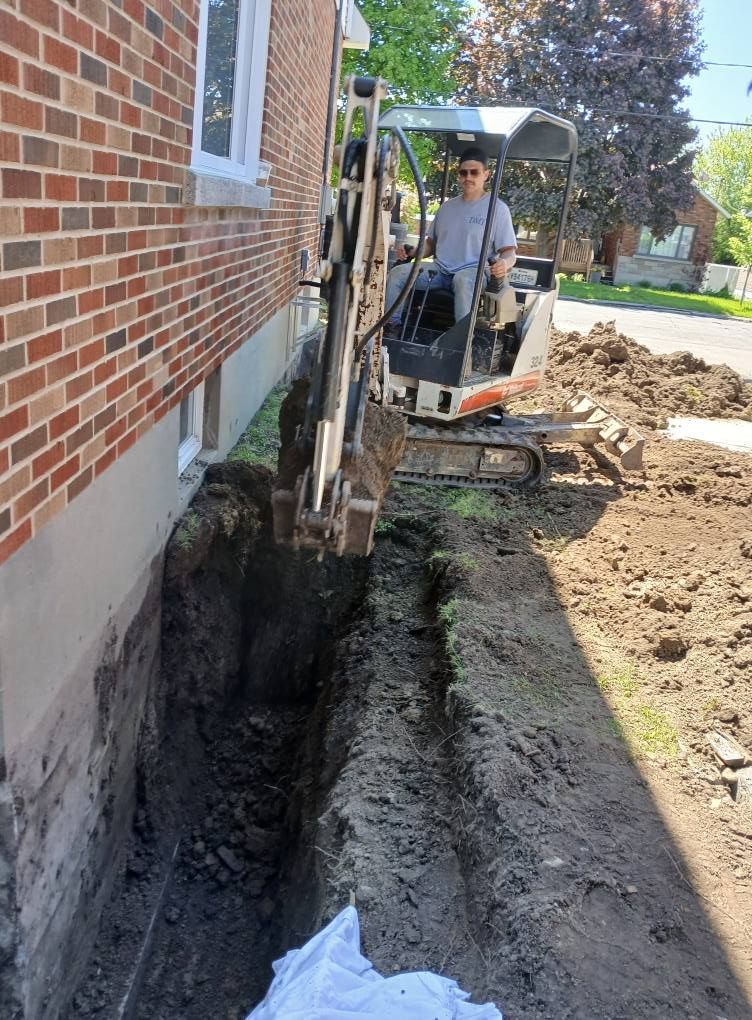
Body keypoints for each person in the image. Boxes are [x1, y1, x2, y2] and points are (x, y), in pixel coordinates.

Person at [385, 147, 517, 329]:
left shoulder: (498, 209)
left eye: (474, 172)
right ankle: (390, 329)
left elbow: (509, 252)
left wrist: (504, 264)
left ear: (486, 175)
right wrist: (413, 251)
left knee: (462, 280)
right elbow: (431, 244)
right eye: (463, 173)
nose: (468, 177)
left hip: (475, 272)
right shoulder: (447, 208)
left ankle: (461, 342)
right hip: (440, 270)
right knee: (397, 274)